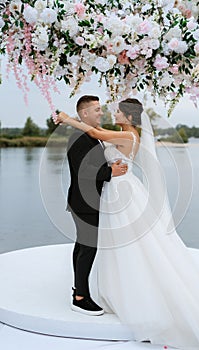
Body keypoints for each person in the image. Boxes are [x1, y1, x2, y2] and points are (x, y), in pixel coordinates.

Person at [56, 99, 199, 350]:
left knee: (129, 243)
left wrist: (67, 118)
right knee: (103, 243)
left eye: (117, 110)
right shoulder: (119, 133)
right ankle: (86, 293)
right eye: (101, 109)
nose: (110, 112)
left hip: (121, 192)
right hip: (109, 192)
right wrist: (108, 170)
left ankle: (124, 291)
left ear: (129, 117)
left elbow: (96, 133)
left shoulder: (128, 136)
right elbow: (92, 153)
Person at [65, 95, 128, 316]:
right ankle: (80, 297)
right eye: (97, 110)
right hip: (83, 202)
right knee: (88, 248)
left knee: (83, 246)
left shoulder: (91, 135)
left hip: (86, 201)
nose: (101, 113)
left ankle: (78, 291)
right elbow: (84, 171)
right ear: (84, 114)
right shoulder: (79, 137)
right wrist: (111, 172)